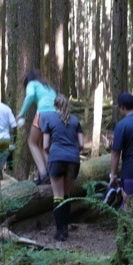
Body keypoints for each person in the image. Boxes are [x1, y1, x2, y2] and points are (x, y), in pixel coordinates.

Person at [40, 94, 85, 241]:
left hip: (56, 158)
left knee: (58, 195)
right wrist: (72, 153)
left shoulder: (49, 120)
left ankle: (60, 232)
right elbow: (82, 144)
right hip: (73, 159)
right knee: (66, 194)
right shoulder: (75, 120)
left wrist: (52, 153)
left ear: (55, 106)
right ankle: (65, 228)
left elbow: (45, 145)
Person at [17, 69, 57, 183]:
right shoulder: (48, 87)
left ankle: (43, 173)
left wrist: (21, 113)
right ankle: (52, 171)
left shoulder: (32, 84)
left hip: (43, 114)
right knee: (43, 144)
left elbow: (30, 95)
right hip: (55, 115)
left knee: (32, 142)